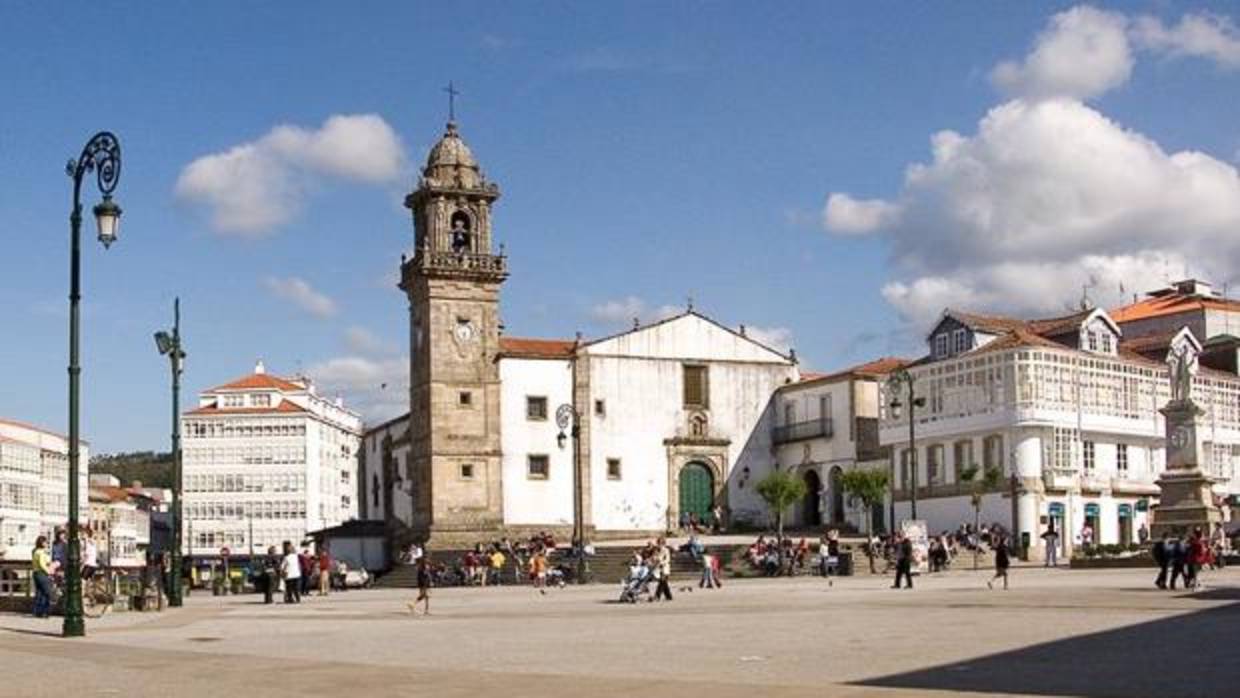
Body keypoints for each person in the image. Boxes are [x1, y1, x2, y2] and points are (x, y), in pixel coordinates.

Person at [31, 535, 56, 618]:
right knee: (47, 592)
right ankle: (45, 611)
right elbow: (42, 564)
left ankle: (37, 611)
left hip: (36, 573)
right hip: (42, 574)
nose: (47, 543)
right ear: (42, 543)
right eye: (45, 542)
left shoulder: (35, 551)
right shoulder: (41, 552)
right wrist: (49, 571)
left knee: (39, 593)